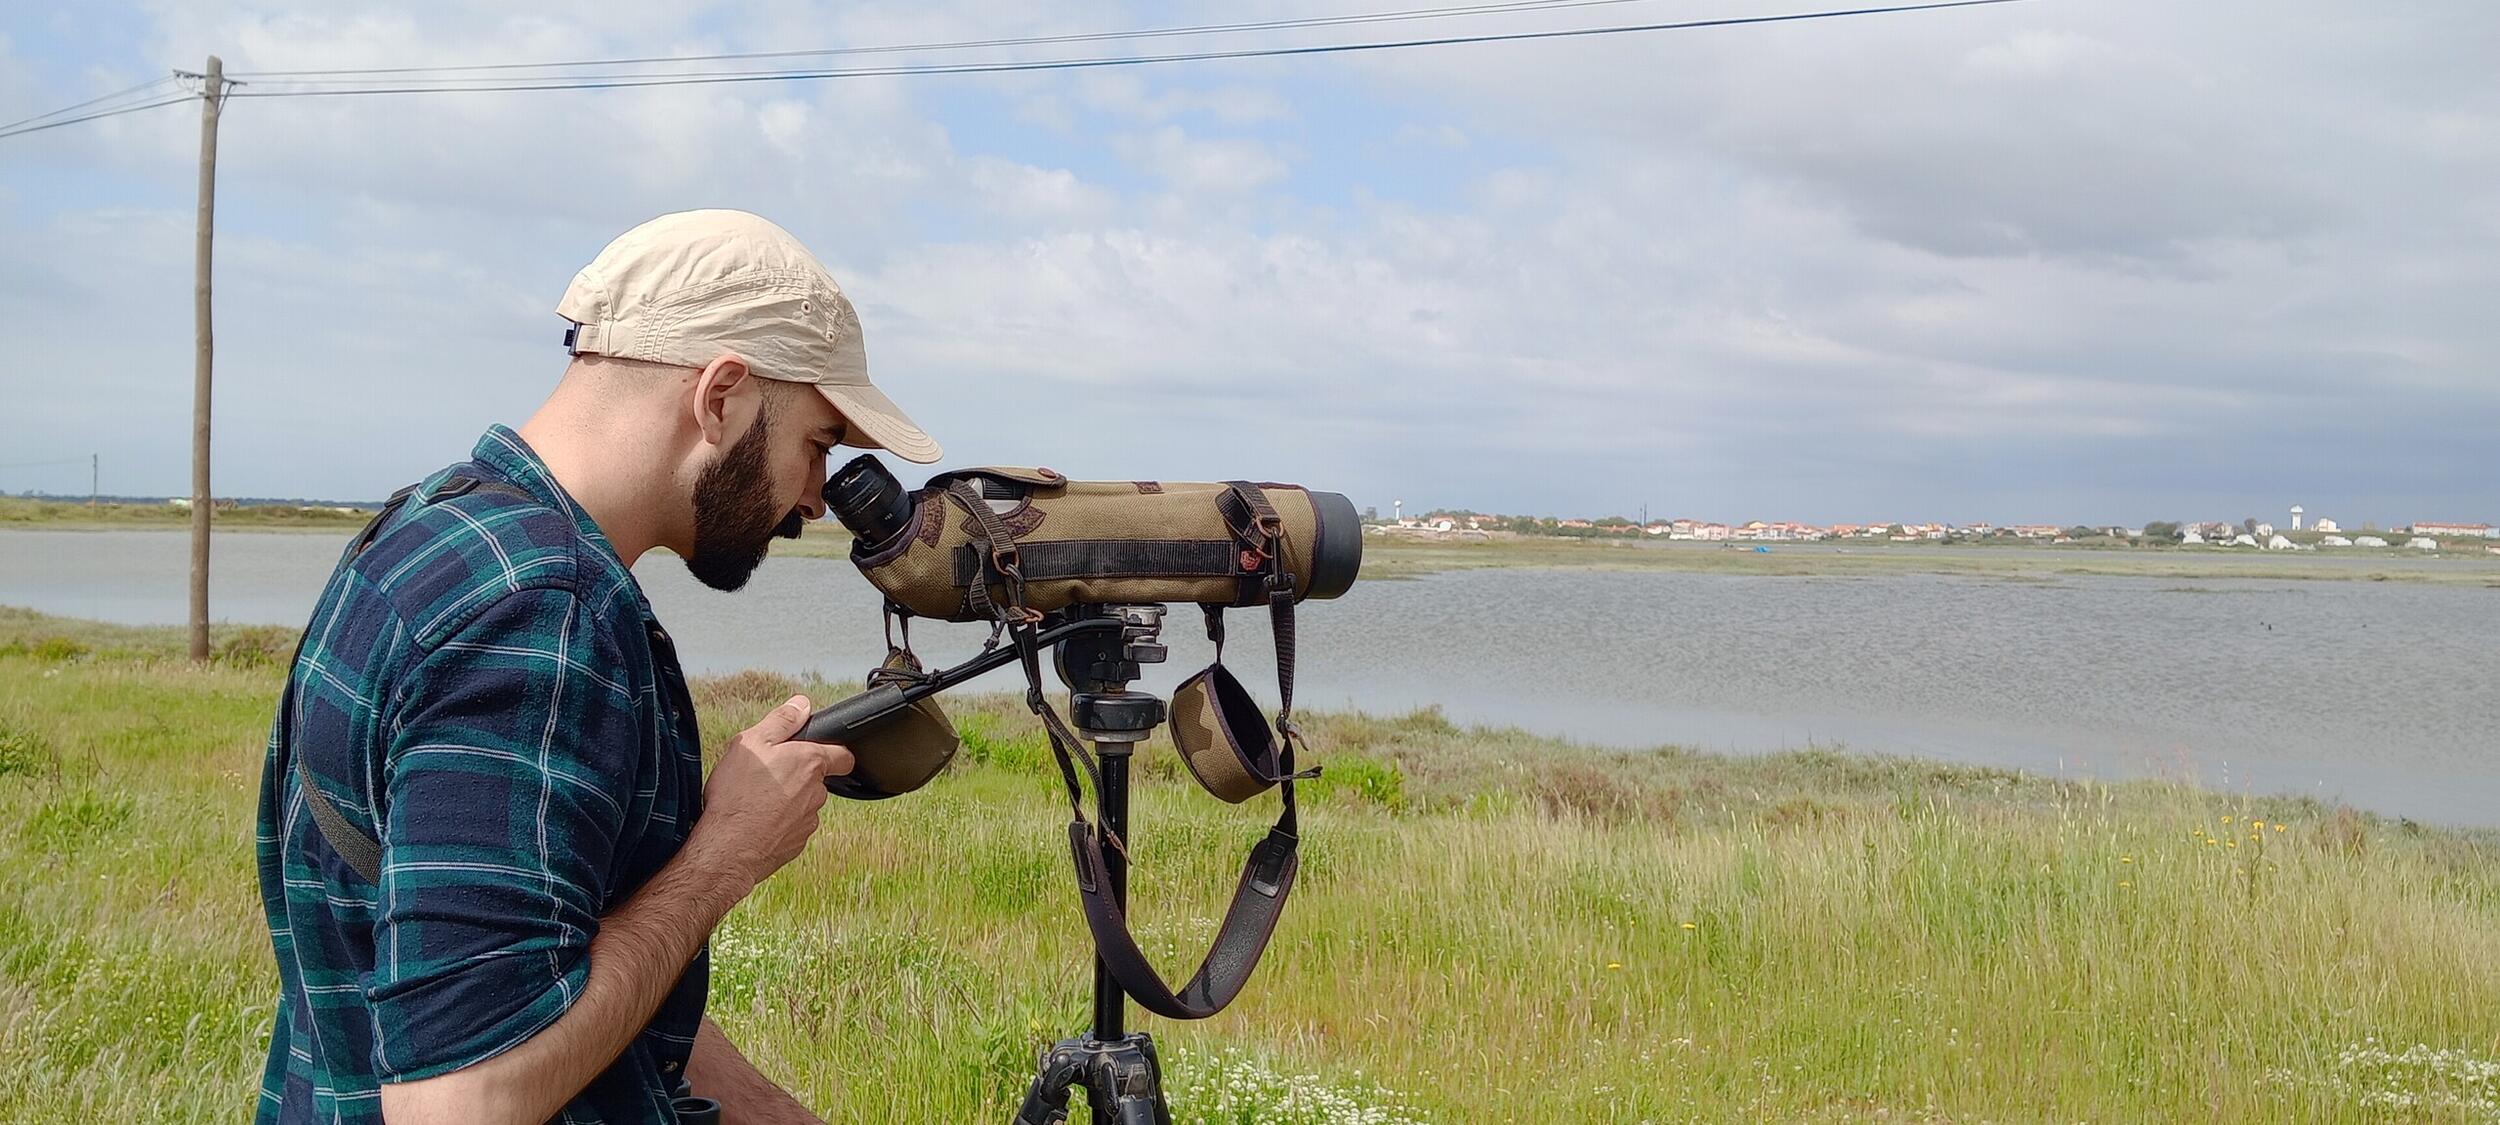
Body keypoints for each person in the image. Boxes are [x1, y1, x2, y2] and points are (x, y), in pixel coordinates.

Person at [253, 209, 944, 1124]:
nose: (816, 497)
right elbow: (463, 1104)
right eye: (817, 443)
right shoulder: (541, 615)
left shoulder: (429, 526)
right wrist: (722, 857)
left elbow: (555, 957)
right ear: (721, 393)